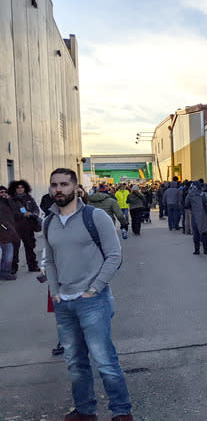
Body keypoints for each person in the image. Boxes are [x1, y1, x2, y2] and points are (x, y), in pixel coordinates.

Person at [42, 168, 133, 421]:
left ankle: (121, 412)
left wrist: (95, 288)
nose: (58, 189)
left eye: (63, 184)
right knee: (74, 362)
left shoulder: (96, 217)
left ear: (75, 187)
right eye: (54, 185)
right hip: (64, 302)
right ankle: (85, 410)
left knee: (104, 360)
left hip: (93, 301)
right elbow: (49, 260)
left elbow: (114, 256)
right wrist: (55, 291)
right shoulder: (48, 221)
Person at [9, 179, 41, 273]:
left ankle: (32, 266)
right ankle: (13, 267)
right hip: (16, 227)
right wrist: (22, 214)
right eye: (18, 188)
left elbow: (36, 209)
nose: (20, 189)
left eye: (22, 187)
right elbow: (10, 214)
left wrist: (33, 214)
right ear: (14, 189)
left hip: (28, 226)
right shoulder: (11, 200)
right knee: (15, 248)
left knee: (30, 247)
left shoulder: (29, 198)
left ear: (25, 188)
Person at [0, 186, 20, 280]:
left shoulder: (9, 202)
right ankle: (6, 272)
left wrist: (10, 200)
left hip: (11, 230)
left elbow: (18, 210)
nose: (3, 194)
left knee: (8, 251)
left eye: (5, 192)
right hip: (4, 231)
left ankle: (6, 271)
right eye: (1, 192)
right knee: (8, 251)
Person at [185, 181, 207, 255]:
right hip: (203, 214)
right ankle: (206, 249)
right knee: (204, 232)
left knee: (196, 233)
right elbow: (206, 203)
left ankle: (197, 250)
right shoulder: (203, 193)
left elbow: (186, 203)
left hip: (194, 215)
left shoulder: (190, 194)